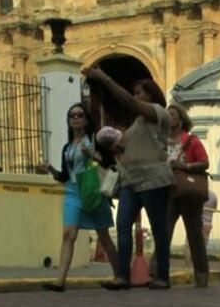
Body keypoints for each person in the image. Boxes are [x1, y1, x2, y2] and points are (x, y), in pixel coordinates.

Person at [81, 68, 174, 290]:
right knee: (123, 225)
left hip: (153, 179)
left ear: (151, 95)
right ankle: (122, 276)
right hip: (130, 180)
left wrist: (105, 78)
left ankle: (162, 275)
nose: (135, 96)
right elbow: (121, 148)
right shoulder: (138, 124)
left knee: (159, 229)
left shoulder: (158, 113)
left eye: (139, 92)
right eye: (135, 92)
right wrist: (105, 144)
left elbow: (129, 104)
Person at [39, 102, 118, 292]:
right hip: (73, 192)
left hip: (92, 190)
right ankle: (60, 281)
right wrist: (50, 169)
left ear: (86, 120)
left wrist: (93, 155)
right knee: (68, 235)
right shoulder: (67, 147)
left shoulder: (93, 141)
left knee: (103, 236)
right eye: (72, 116)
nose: (76, 118)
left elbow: (110, 163)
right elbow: (65, 176)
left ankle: (120, 275)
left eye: (80, 115)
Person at [165, 102, 210, 288]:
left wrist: (186, 166)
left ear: (181, 119)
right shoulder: (161, 141)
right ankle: (159, 273)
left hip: (188, 191)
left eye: (173, 115)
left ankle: (201, 274)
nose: (169, 118)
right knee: (164, 232)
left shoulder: (191, 140)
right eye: (167, 115)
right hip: (167, 190)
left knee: (194, 234)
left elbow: (205, 163)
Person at [185, 189, 217, 266]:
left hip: (195, 223)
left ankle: (188, 266)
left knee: (189, 245)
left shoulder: (196, 194)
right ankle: (201, 267)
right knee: (203, 246)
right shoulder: (213, 196)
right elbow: (214, 210)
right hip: (207, 224)